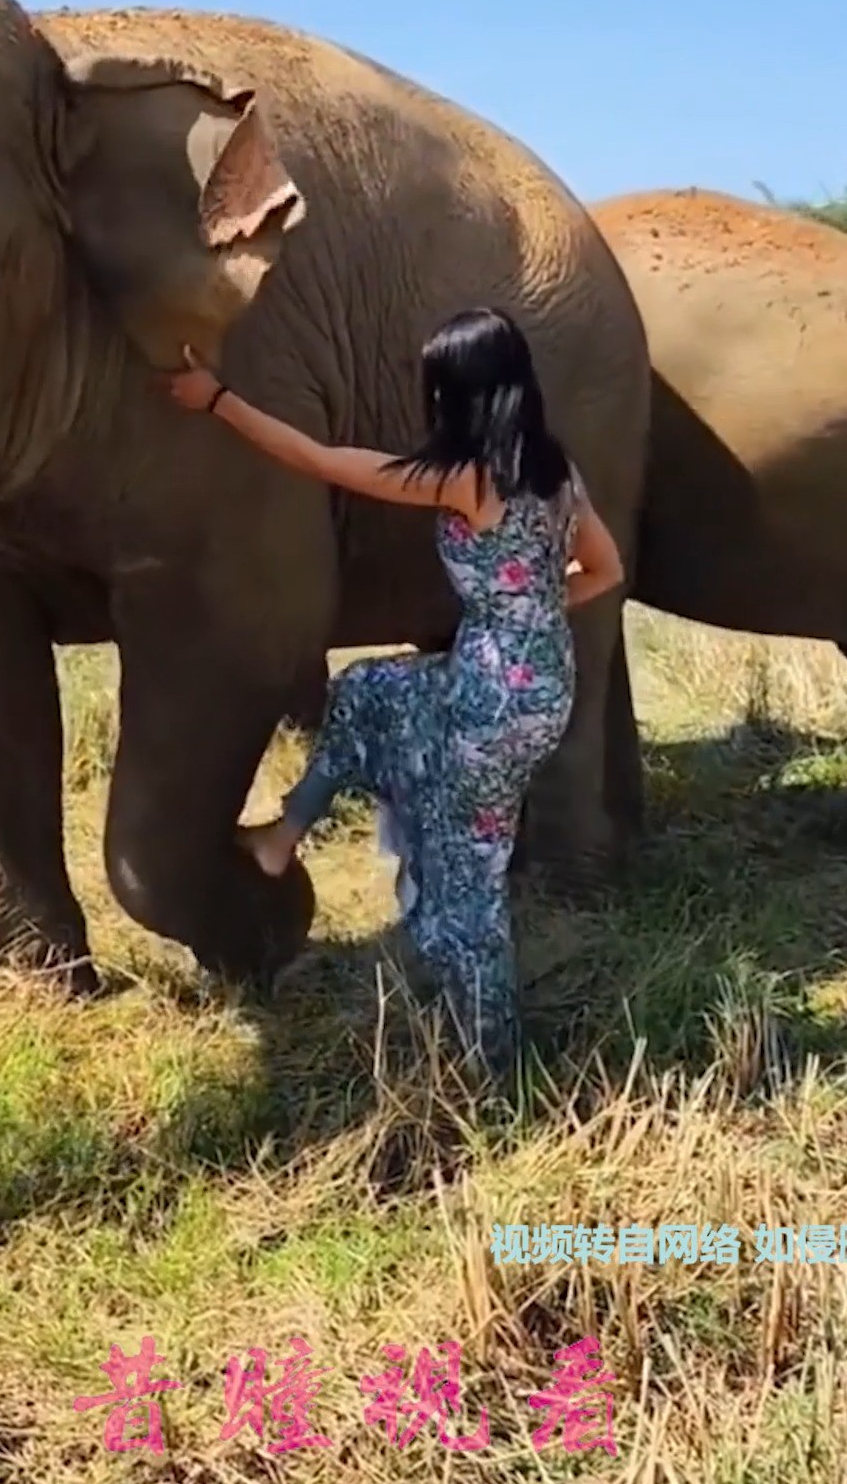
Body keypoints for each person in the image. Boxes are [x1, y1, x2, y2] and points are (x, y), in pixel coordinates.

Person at [168, 307, 624, 1069]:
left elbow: (319, 459)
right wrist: (527, 610)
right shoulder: (556, 474)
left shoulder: (467, 479)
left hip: (487, 703)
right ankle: (285, 837)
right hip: (542, 691)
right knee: (372, 689)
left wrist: (217, 401)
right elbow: (607, 572)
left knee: (466, 878)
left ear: (463, 392)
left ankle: (493, 1065)